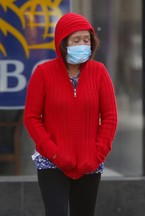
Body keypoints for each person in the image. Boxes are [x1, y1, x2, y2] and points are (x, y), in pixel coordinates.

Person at [23, 12, 118, 216]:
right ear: (63, 43)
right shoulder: (43, 73)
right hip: (51, 161)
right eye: (76, 40)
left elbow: (110, 116)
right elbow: (31, 118)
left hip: (89, 162)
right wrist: (53, 151)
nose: (82, 44)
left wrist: (97, 153)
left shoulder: (99, 72)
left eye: (86, 40)